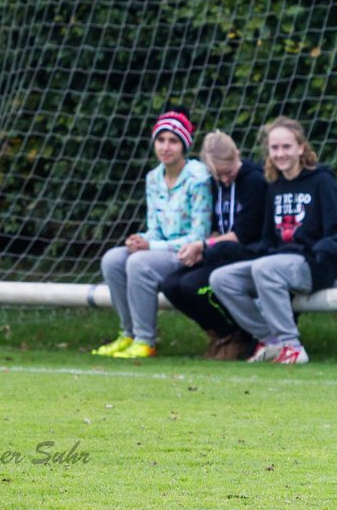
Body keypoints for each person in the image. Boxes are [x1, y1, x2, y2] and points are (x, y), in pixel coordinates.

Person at [206, 117, 337, 364]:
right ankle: (272, 341)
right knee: (222, 279)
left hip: (314, 264)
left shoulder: (322, 180)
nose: (280, 153)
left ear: (300, 147)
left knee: (265, 267)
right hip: (276, 264)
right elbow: (268, 240)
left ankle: (293, 346)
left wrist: (321, 252)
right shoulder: (274, 185)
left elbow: (334, 232)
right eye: (275, 148)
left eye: (286, 147)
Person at [93, 109, 211, 358]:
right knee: (113, 259)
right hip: (158, 248)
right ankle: (128, 334)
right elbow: (155, 227)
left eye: (173, 141)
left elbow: (198, 235)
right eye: (161, 140)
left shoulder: (198, 178)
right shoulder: (153, 178)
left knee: (139, 262)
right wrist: (142, 239)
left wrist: (150, 247)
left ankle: (146, 340)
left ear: (184, 146)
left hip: (187, 253)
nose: (165, 147)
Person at [159, 131, 266, 360]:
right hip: (221, 251)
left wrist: (203, 245)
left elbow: (243, 234)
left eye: (228, 173)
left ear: (237, 154)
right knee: (171, 285)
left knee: (191, 285)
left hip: (249, 253)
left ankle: (242, 335)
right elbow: (218, 229)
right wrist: (201, 248)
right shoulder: (215, 181)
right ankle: (223, 335)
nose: (225, 180)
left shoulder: (255, 180)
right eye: (219, 176)